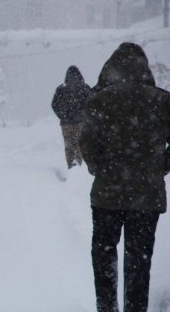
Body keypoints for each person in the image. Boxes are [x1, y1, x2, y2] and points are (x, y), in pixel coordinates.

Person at [80, 42, 170, 312]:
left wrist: (100, 168)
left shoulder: (99, 100)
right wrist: (161, 166)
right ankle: (135, 308)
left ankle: (106, 306)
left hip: (107, 194)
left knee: (104, 252)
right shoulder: (163, 101)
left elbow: (87, 142)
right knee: (139, 260)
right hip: (147, 196)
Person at [52, 65, 92, 169]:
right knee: (80, 144)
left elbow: (54, 104)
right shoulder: (85, 88)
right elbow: (91, 103)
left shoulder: (61, 89)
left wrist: (62, 116)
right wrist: (85, 115)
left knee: (69, 145)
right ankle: (79, 164)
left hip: (66, 124)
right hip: (81, 122)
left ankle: (70, 164)